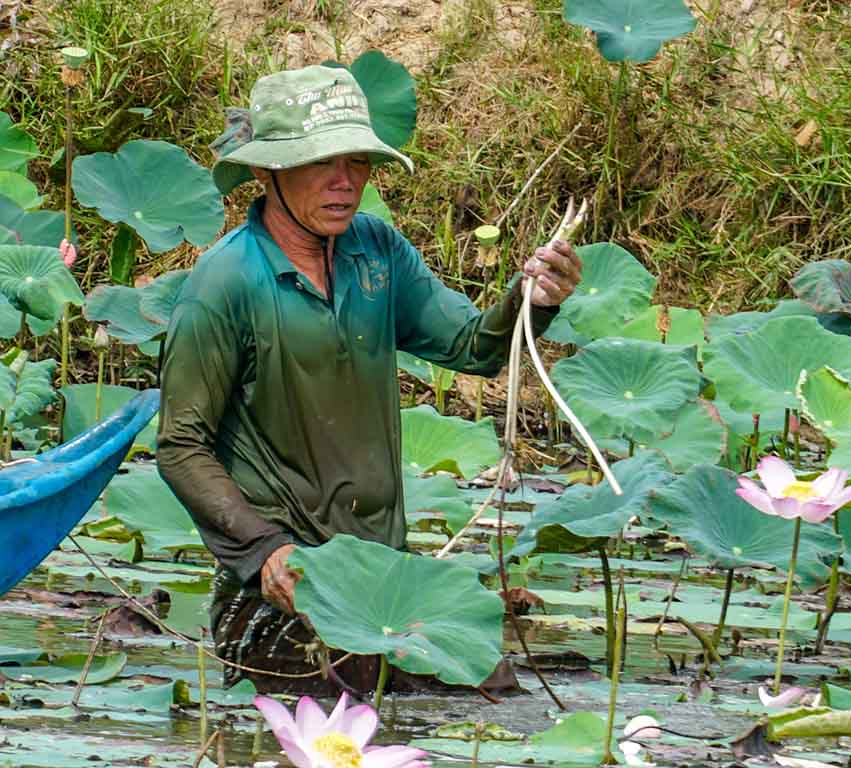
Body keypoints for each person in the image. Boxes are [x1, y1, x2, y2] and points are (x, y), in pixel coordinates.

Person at [156, 64, 582, 696]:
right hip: (282, 589)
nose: (344, 182)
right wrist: (264, 550)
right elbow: (181, 447)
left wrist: (534, 299)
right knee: (345, 685)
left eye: (357, 162)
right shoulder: (225, 284)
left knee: (495, 688)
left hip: (384, 581)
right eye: (321, 164)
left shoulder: (378, 252)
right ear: (266, 172)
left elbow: (475, 347)